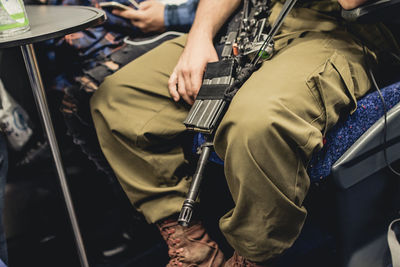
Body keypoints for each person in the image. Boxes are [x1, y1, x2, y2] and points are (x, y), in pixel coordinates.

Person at [90, 0, 399, 266]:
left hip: (343, 30)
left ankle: (253, 257)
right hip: (262, 20)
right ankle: (192, 248)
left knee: (255, 123)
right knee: (119, 98)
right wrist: (200, 38)